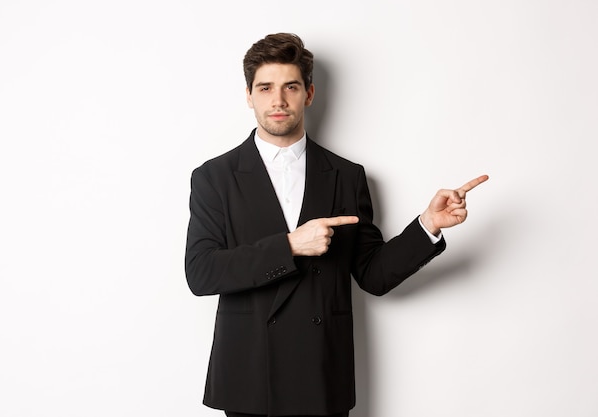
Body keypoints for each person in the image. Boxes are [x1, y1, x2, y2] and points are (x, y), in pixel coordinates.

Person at [185, 33, 488, 417]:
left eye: (290, 87)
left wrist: (427, 225)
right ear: (249, 95)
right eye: (265, 88)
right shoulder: (214, 177)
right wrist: (291, 245)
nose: (277, 100)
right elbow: (201, 273)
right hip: (250, 376)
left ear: (309, 94)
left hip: (321, 373)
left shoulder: (346, 176)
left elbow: (373, 275)